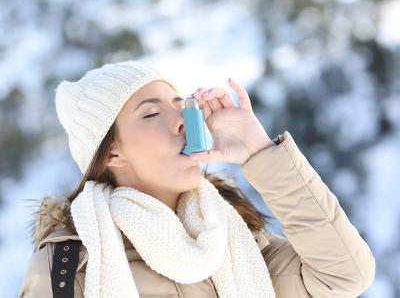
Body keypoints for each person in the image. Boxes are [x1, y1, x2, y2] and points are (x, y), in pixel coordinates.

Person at [18, 60, 375, 298]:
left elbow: (345, 275)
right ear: (112, 153)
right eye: (152, 113)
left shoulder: (238, 241)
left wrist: (258, 150)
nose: (182, 121)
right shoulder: (67, 269)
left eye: (180, 105)